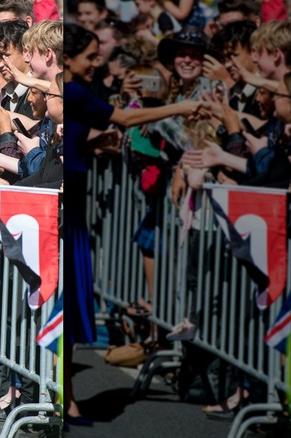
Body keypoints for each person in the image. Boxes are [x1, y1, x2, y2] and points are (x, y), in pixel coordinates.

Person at [62, 22, 205, 427]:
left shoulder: (74, 91)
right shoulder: (70, 89)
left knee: (69, 307)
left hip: (71, 206)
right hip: (65, 210)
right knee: (66, 305)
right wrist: (178, 108)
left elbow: (81, 132)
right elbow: (124, 117)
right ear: (67, 58)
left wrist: (89, 143)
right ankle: (65, 399)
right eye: (89, 56)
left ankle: (67, 398)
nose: (96, 62)